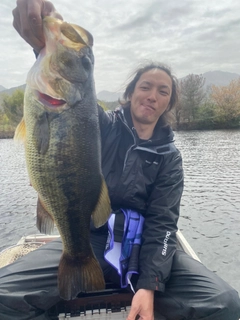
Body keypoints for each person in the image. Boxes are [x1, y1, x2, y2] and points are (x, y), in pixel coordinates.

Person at [0, 1, 239, 319]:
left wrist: (150, 285)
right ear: (131, 92)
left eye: (163, 91)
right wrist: (45, 43)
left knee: (225, 303)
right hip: (91, 238)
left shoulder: (170, 158)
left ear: (169, 102)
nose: (153, 95)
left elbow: (164, 225)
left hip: (149, 250)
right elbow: (68, 106)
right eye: (146, 86)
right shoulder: (101, 125)